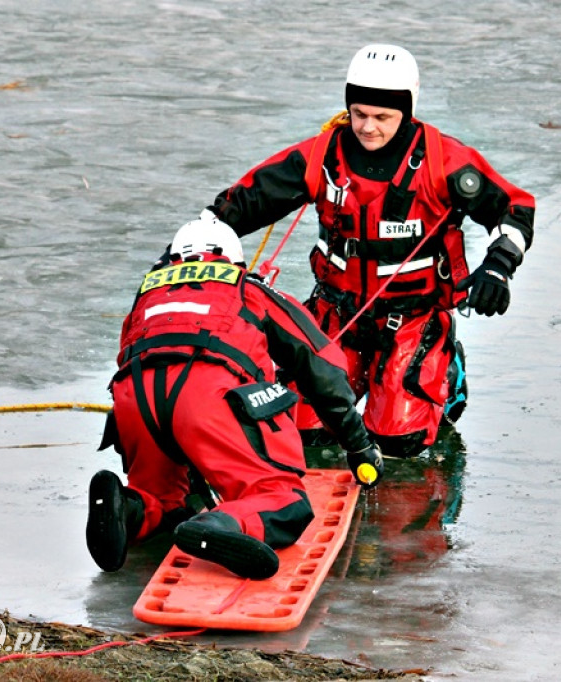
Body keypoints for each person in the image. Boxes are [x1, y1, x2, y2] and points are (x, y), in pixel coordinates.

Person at [200, 44, 536, 458]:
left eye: (382, 117)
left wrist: (498, 267)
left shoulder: (443, 161)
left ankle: (446, 370)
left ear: (407, 111)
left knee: (398, 443)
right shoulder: (323, 156)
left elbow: (514, 208)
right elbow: (245, 202)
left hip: (411, 319)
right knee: (301, 433)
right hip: (334, 314)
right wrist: (196, 244)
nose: (368, 127)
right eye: (359, 114)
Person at [86, 213, 384, 580]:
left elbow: (131, 354)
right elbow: (322, 369)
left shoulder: (148, 294)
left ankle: (129, 508)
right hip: (206, 392)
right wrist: (358, 446)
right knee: (284, 502)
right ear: (234, 258)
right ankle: (225, 525)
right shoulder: (249, 287)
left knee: (166, 500)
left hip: (133, 398)